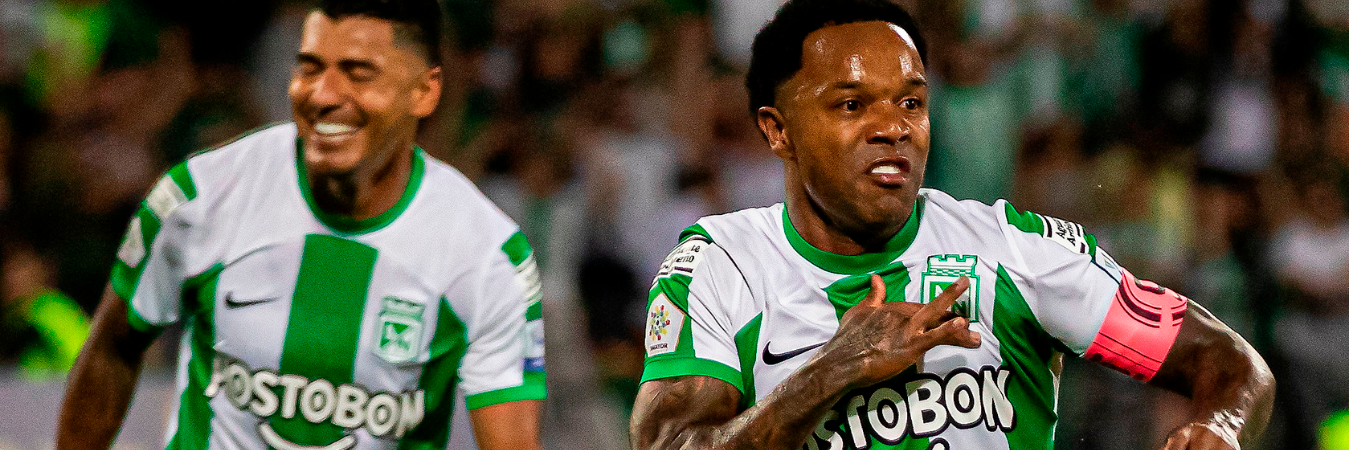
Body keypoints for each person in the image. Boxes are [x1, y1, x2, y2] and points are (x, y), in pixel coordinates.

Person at [628, 1, 1274, 449]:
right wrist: (831, 372)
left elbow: (1228, 362)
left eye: (911, 101)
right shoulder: (720, 267)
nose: (893, 127)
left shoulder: (1010, 251)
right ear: (778, 131)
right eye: (852, 104)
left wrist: (1220, 424)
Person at [55, 1, 546, 448]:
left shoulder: (488, 254)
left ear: (423, 92)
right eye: (309, 68)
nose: (324, 95)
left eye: (358, 74)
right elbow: (113, 349)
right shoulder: (199, 196)